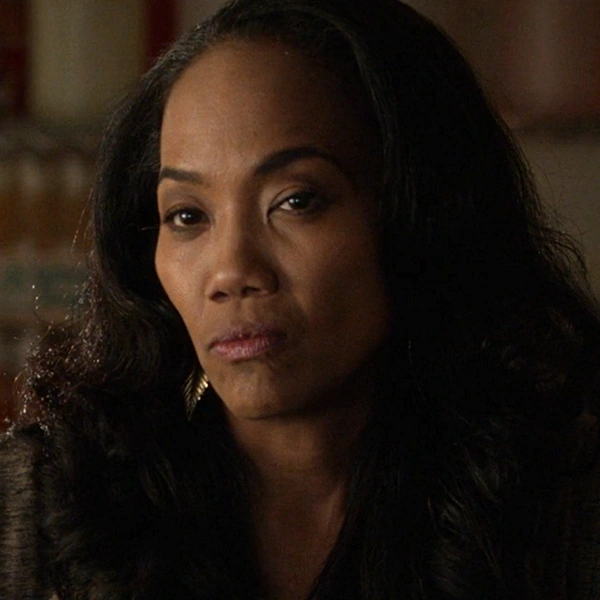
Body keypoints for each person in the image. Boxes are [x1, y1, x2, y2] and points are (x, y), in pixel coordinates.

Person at [2, 0, 600, 598]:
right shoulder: (40, 512)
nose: (231, 272)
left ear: (419, 212)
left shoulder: (562, 505)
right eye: (187, 216)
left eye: (295, 201)